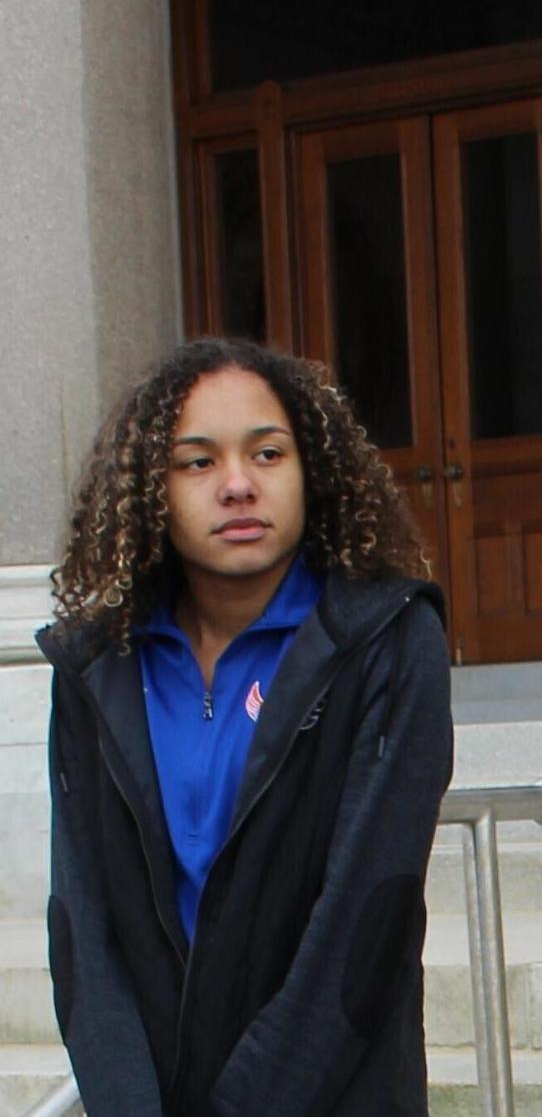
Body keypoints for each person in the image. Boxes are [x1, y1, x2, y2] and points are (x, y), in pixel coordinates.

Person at [39, 338, 454, 1116]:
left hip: (328, 1094)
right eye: (196, 462)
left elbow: (364, 928)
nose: (237, 485)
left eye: (267, 453)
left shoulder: (385, 640)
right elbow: (82, 932)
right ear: (149, 489)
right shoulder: (95, 663)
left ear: (312, 469)